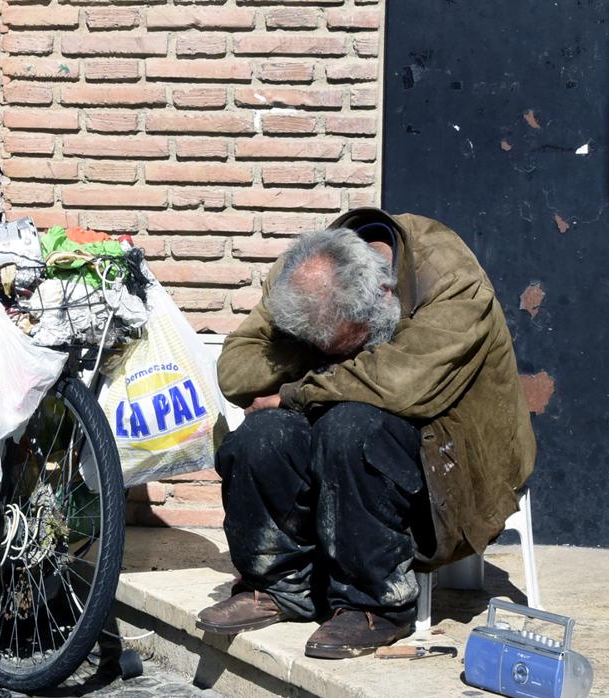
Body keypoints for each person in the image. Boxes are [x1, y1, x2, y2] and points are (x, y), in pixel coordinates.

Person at [195, 208, 535, 659]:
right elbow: (236, 371)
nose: (330, 356)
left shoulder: (450, 277)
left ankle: (374, 604)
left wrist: (295, 392)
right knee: (262, 435)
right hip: (342, 434)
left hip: (448, 446)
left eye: (348, 343)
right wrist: (312, 348)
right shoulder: (302, 272)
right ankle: (278, 587)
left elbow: (402, 384)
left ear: (384, 294)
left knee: (350, 427)